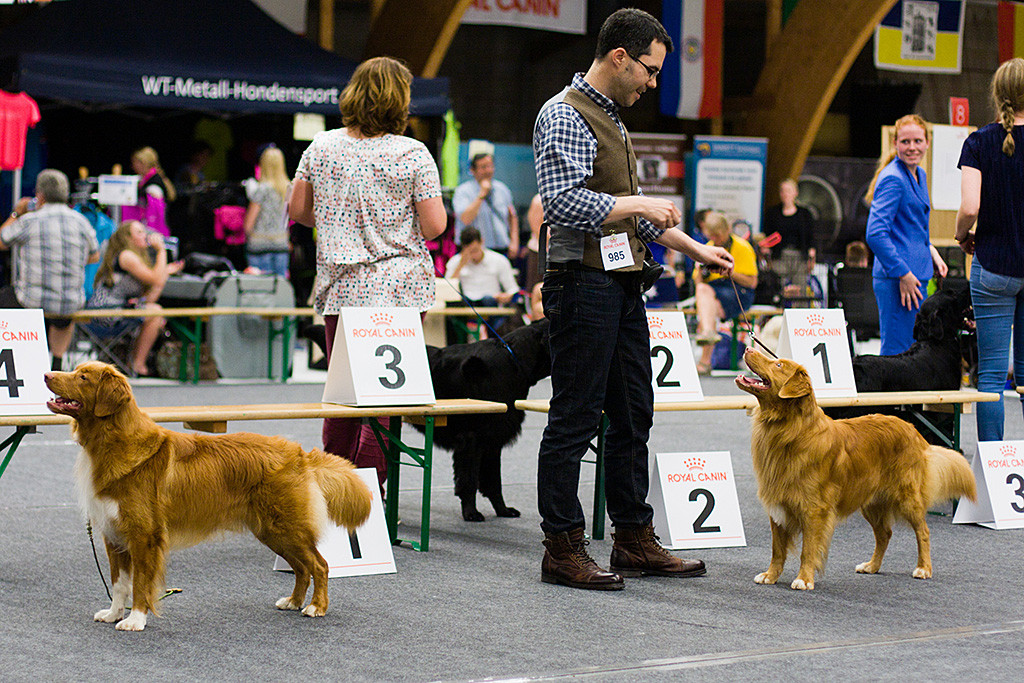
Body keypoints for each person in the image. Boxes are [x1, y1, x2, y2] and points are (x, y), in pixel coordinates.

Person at [533, 8, 734, 591]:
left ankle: (632, 538)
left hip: (621, 284)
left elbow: (632, 212)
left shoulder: (612, 120)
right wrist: (641, 206)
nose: (652, 82)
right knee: (574, 418)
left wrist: (698, 251)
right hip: (580, 282)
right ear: (619, 57)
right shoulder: (564, 114)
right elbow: (563, 202)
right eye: (649, 69)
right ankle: (563, 547)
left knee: (633, 414)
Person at [289, 56, 447, 488]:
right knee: (383, 402)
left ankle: (328, 490)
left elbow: (299, 211)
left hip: (341, 289)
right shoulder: (413, 153)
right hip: (398, 290)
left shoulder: (320, 147)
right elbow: (434, 226)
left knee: (340, 397)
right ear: (401, 100)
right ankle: (367, 494)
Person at [955, 57, 1024, 442]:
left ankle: (992, 470)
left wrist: (961, 235)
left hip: (995, 267)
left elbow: (969, 208)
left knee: (993, 377)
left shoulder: (979, 141)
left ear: (998, 95)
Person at [864, 115, 948, 355]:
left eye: (918, 141)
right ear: (895, 143)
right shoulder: (893, 178)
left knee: (912, 355)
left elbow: (911, 225)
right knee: (897, 355)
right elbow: (875, 234)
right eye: (906, 141)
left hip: (917, 277)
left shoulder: (918, 174)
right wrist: (903, 273)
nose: (912, 147)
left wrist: (930, 250)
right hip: (899, 281)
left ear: (927, 142)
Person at [0, 169, 99, 371]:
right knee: (64, 307)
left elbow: (2, 241)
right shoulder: (80, 221)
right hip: (69, 303)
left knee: (6, 295)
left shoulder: (29, 220)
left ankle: (18, 357)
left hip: (31, 302)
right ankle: (57, 361)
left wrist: (17, 212)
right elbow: (95, 256)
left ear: (40, 195)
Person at [85, 220, 183, 376]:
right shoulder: (126, 255)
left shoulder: (135, 256)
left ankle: (135, 363)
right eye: (139, 232)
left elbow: (150, 297)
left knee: (155, 311)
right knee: (155, 313)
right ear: (127, 238)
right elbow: (156, 279)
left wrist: (164, 272)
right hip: (104, 312)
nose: (146, 235)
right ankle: (138, 364)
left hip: (120, 309)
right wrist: (162, 251)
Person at [692, 211, 758, 375]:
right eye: (713, 236)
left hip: (739, 292)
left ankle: (705, 356)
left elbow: (752, 282)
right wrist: (700, 272)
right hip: (714, 292)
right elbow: (698, 284)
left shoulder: (742, 247)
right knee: (704, 295)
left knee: (707, 305)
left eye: (719, 235)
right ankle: (708, 336)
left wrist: (728, 271)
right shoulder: (707, 247)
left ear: (727, 230)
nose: (717, 239)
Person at [453, 152, 518, 257]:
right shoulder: (463, 191)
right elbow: (465, 218)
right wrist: (482, 194)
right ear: (472, 170)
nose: (488, 170)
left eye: (490, 166)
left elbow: (512, 217)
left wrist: (514, 241)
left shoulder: (502, 189)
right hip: (472, 249)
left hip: (500, 247)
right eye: (483, 167)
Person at [244, 146, 291, 277]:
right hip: (281, 245)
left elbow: (248, 224)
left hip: (259, 246)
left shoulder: (261, 189)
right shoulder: (288, 188)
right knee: (280, 289)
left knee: (261, 291)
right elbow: (287, 220)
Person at [763, 178, 815, 294]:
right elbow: (767, 235)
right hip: (779, 256)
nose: (786, 194)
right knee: (778, 288)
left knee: (800, 290)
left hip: (799, 256)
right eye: (783, 191)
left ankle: (800, 311)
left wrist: (812, 254)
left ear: (795, 193)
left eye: (789, 190)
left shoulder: (805, 214)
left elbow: (810, 236)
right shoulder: (773, 213)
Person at [445, 226, 518, 306]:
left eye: (475, 250)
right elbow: (448, 290)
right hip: (466, 302)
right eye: (470, 251)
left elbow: (512, 289)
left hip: (491, 301)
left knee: (488, 300)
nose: (473, 255)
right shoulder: (455, 262)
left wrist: (506, 296)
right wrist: (460, 266)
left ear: (482, 242)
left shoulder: (499, 260)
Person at [122, 146, 176, 237]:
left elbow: (155, 217)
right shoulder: (145, 180)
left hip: (153, 233)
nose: (132, 166)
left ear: (143, 163)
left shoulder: (153, 187)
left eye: (134, 162)